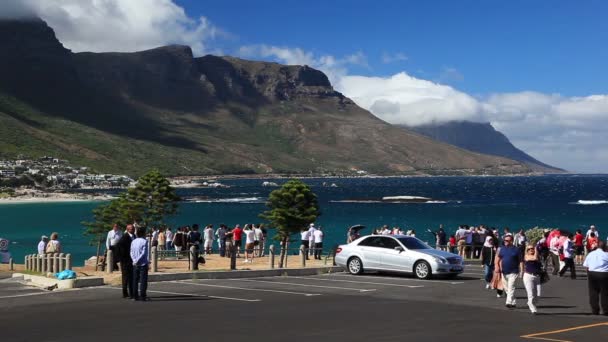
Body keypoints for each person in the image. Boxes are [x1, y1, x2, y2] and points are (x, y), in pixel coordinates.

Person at [496, 235, 523, 308]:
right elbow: (498, 259)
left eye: (507, 240)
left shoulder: (517, 249)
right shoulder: (502, 249)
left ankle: (508, 302)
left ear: (511, 241)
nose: (505, 242)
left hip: (514, 272)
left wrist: (521, 271)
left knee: (511, 287)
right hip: (504, 272)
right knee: (507, 288)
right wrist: (497, 267)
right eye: (504, 240)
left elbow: (521, 261)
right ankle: (513, 301)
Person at [583, 241, 608, 315]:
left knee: (593, 292)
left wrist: (588, 275)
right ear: (604, 247)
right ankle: (606, 310)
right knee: (605, 293)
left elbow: (586, 266)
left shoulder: (591, 254)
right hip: (604, 274)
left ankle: (595, 310)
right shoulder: (606, 255)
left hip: (592, 273)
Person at [130, 227, 149, 301]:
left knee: (135, 280)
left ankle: (135, 296)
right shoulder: (145, 241)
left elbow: (131, 252)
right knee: (143, 280)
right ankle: (142, 296)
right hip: (143, 263)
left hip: (135, 263)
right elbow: (144, 253)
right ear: (143, 233)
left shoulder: (133, 241)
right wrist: (137, 260)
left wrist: (134, 260)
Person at [116, 224, 135, 299]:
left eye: (133, 229)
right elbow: (119, 247)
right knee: (125, 277)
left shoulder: (134, 236)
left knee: (132, 277)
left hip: (132, 260)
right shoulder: (124, 237)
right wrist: (121, 259)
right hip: (125, 261)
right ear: (127, 230)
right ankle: (125, 293)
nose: (133, 230)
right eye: (131, 229)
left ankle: (132, 293)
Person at [523, 243, 542, 314]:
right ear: (527, 251)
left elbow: (538, 259)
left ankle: (530, 302)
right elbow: (534, 258)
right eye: (529, 249)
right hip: (528, 276)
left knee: (538, 294)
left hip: (537, 276)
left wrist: (537, 247)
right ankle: (533, 308)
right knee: (531, 293)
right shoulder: (526, 256)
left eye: (532, 248)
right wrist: (536, 248)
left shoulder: (538, 256)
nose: (531, 250)